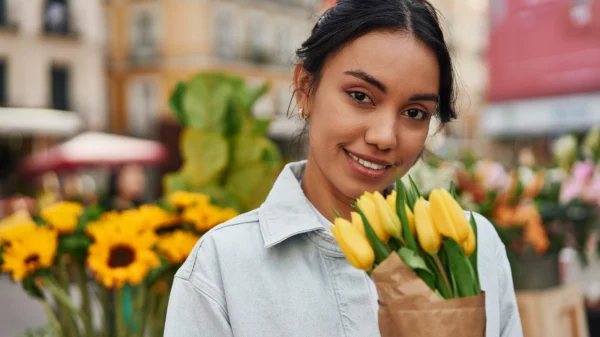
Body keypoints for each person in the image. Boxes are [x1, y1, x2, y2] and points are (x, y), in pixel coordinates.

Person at [164, 1, 523, 336]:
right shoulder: (222, 267)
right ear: (306, 87)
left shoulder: (473, 244)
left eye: (414, 113)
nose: (385, 137)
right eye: (360, 96)